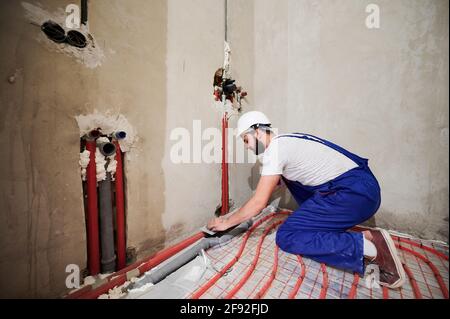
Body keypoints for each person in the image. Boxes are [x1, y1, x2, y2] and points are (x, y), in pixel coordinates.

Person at [207, 111, 405, 288]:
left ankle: (370, 247)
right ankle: (370, 238)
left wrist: (226, 222)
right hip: (362, 188)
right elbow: (266, 193)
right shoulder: (287, 141)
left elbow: (258, 202)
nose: (247, 146)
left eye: (245, 140)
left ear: (257, 132)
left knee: (287, 235)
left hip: (353, 193)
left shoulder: (276, 151)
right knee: (301, 216)